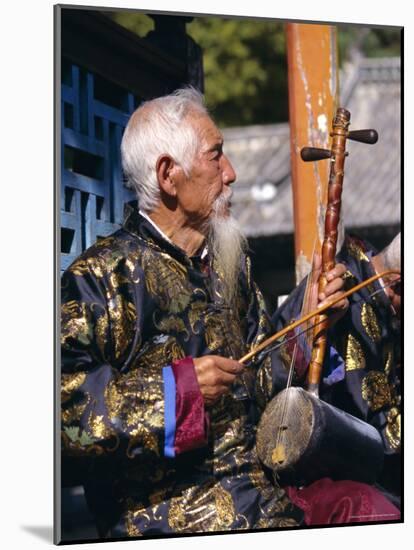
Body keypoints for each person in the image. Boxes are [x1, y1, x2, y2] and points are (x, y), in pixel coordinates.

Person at [61, 88, 399, 539]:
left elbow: (259, 379)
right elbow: (62, 411)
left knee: (374, 508)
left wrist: (309, 327)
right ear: (168, 174)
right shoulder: (102, 277)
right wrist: (179, 390)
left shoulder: (227, 264)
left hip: (263, 493)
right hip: (167, 515)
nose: (232, 173)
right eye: (216, 156)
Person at [271, 232, 401, 507]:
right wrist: (309, 334)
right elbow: (277, 379)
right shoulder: (335, 290)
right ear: (397, 285)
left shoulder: (389, 307)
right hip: (327, 472)